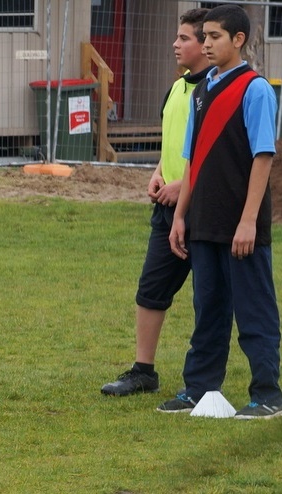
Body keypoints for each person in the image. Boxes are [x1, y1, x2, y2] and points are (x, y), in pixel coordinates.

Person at [160, 4, 281, 418]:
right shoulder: (199, 90)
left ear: (239, 40)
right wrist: (181, 216)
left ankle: (267, 394)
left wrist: (248, 221)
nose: (206, 44)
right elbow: (192, 160)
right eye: (204, 37)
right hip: (203, 224)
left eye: (214, 37)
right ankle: (198, 389)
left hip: (241, 227)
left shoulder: (256, 89)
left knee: (254, 311)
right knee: (207, 310)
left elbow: (263, 157)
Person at [101, 8, 211, 396]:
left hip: (206, 209)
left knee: (213, 298)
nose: (175, 44)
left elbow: (215, 152)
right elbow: (173, 141)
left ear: (207, 42)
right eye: (177, 37)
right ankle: (143, 371)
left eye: (184, 38)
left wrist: (185, 185)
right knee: (150, 291)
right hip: (167, 210)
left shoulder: (216, 89)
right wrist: (158, 173)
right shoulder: (179, 86)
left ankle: (211, 380)